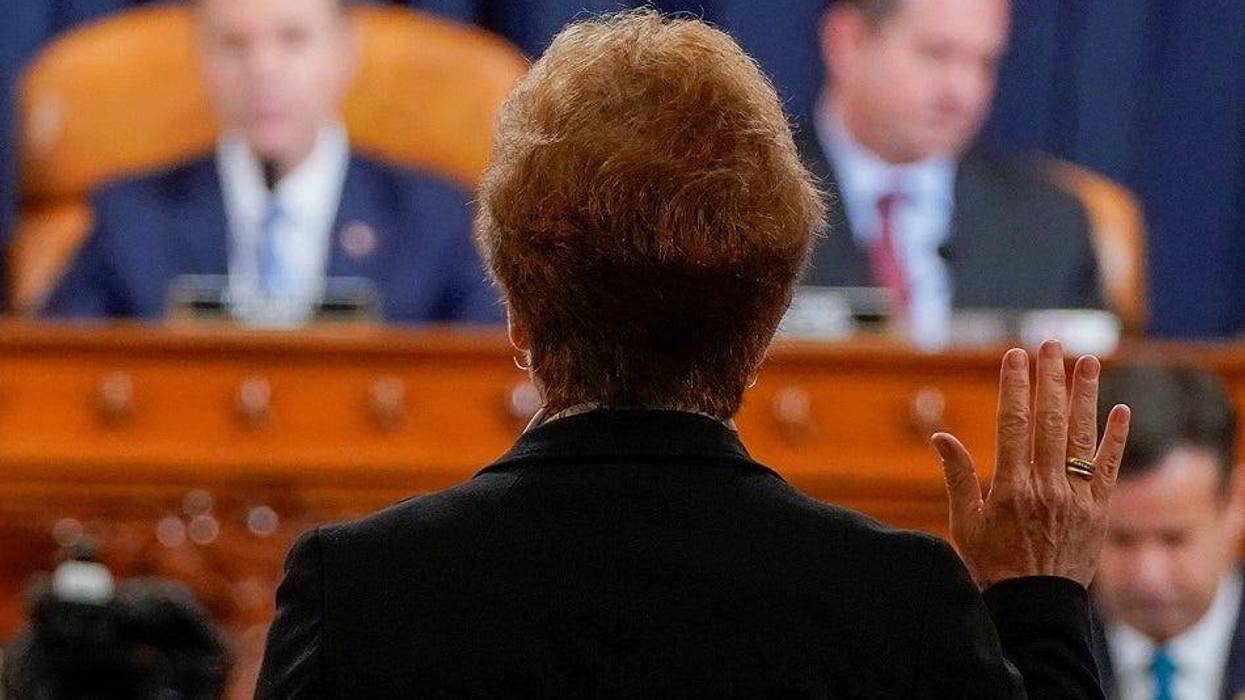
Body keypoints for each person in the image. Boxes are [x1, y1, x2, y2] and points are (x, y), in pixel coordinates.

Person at [256, 10, 1131, 697]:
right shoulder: (894, 597)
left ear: (517, 314)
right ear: (764, 328)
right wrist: (1039, 599)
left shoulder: (358, 590)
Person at [41, 0, 501, 326]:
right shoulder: (132, 219)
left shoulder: (434, 220)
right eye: (234, 44)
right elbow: (52, 378)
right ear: (202, 58)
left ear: (345, 53)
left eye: (292, 40)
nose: (263, 70)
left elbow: (490, 388)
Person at [800, 0, 1100, 347]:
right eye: (936, 53)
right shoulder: (757, 201)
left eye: (985, 62)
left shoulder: (1050, 224)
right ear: (847, 42)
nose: (963, 91)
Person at [1092, 365, 1245, 700]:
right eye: (1121, 539)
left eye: (1174, 539)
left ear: (1236, 503)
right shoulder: (1033, 654)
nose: (1148, 576)